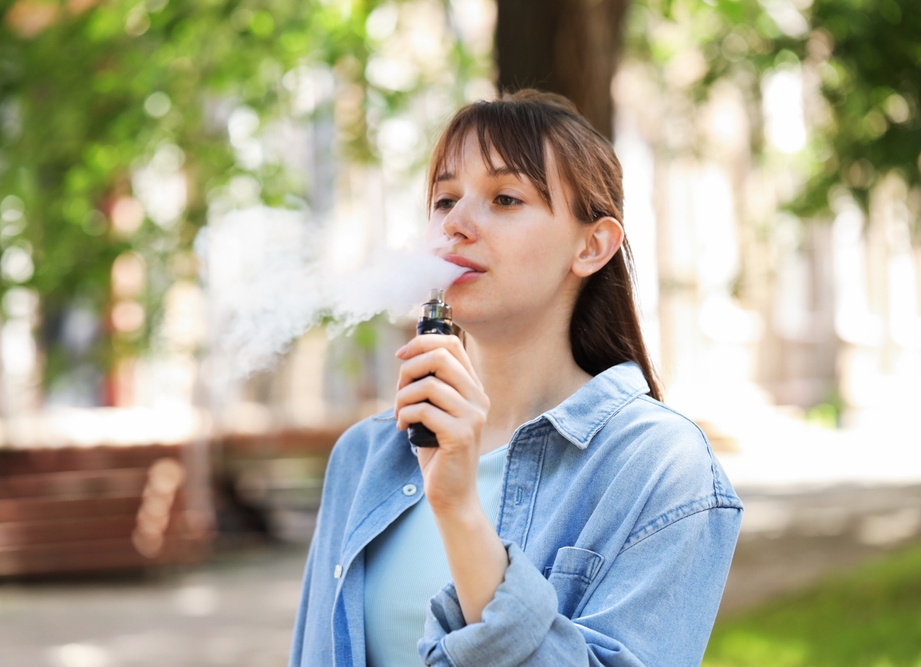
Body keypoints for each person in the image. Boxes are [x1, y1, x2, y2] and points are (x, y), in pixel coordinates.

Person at [289, 90, 743, 667]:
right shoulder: (365, 456)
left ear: (592, 245)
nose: (455, 224)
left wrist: (458, 509)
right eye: (444, 199)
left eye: (505, 198)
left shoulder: (660, 466)